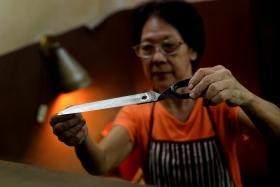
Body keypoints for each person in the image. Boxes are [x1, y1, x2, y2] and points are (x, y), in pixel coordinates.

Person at [50, 1, 280, 187]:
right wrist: (81, 139)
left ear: (192, 50)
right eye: (147, 49)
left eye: (168, 46)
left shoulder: (218, 103)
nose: (157, 58)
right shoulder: (137, 114)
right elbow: (101, 162)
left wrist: (246, 97)